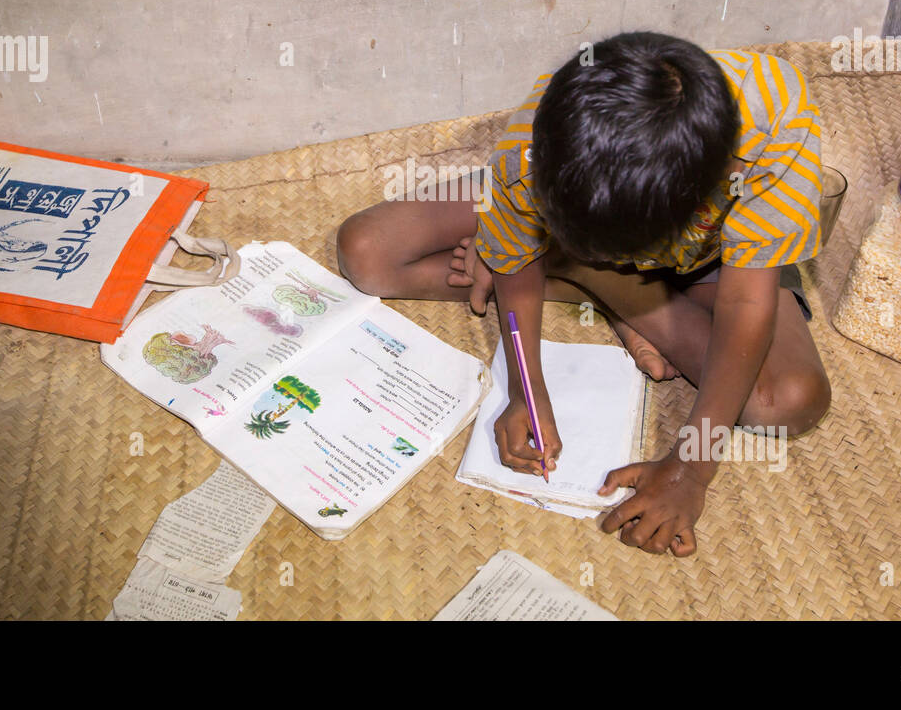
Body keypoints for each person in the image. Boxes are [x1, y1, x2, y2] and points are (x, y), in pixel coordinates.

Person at [336, 32, 831, 556]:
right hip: (575, 204)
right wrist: (527, 388)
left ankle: (596, 280)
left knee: (788, 402)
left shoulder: (778, 128)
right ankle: (583, 271)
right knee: (368, 252)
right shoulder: (546, 132)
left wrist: (692, 466)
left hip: (714, 259)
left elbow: (745, 304)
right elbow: (521, 235)